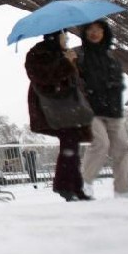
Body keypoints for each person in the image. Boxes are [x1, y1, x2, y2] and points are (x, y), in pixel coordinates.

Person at [76, 20, 128, 198]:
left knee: (123, 148)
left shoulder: (111, 57)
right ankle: (83, 183)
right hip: (89, 109)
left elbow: (117, 83)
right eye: (90, 30)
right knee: (101, 143)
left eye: (98, 30)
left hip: (112, 110)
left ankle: (123, 189)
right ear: (85, 33)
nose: (94, 33)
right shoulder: (78, 55)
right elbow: (69, 79)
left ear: (104, 33)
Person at [24, 30, 93, 202]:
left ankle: (75, 187)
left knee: (72, 145)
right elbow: (44, 77)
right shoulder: (38, 54)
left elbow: (76, 79)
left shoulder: (62, 53)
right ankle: (64, 185)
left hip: (68, 105)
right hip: (53, 106)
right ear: (55, 37)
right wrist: (66, 62)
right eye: (65, 37)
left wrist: (74, 61)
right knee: (70, 144)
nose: (67, 40)